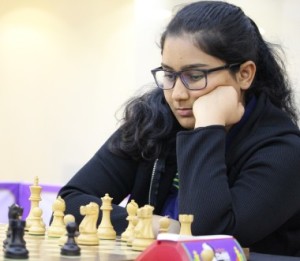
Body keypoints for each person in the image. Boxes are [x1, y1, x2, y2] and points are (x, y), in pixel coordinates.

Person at [56, 1, 300, 257]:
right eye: (169, 75)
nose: (177, 95)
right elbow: (68, 204)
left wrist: (207, 127)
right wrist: (156, 226)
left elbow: (208, 239)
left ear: (245, 74)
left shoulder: (284, 151)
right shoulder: (153, 120)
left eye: (195, 76)